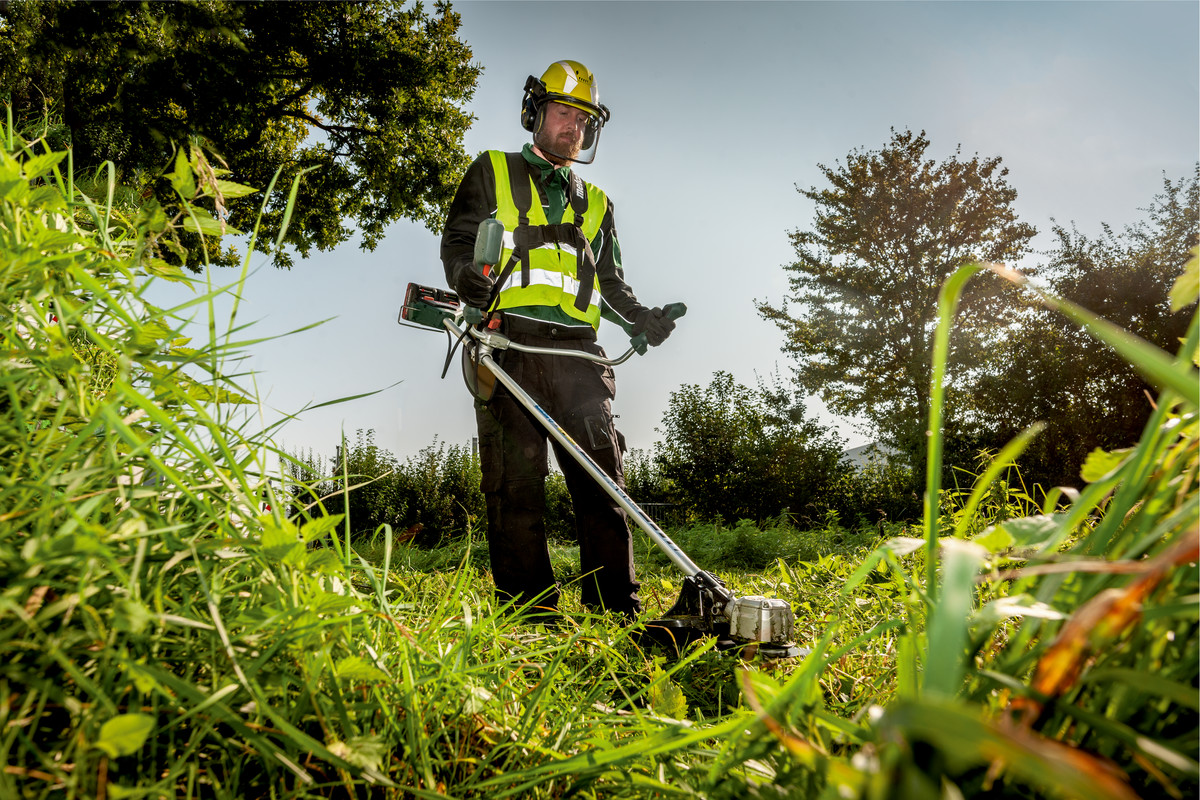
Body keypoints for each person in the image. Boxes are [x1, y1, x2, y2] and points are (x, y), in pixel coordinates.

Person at [440, 60, 678, 620]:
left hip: (577, 354)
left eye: (583, 119)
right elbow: (458, 241)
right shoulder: (491, 170)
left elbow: (610, 283)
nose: (574, 126)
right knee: (515, 489)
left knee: (604, 485)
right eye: (563, 112)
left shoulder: (597, 202)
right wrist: (464, 276)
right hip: (508, 347)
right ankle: (530, 616)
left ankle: (613, 611)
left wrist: (640, 319)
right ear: (535, 112)